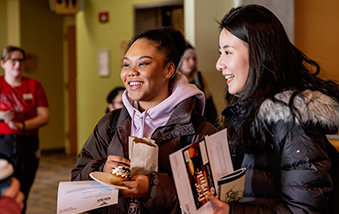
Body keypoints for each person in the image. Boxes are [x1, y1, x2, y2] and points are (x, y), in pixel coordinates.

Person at [207, 4, 339, 213]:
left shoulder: (292, 123)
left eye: (228, 52)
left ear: (258, 53)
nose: (219, 64)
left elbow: (304, 209)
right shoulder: (249, 113)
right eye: (220, 52)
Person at [71, 26, 217, 213]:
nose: (131, 72)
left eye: (143, 63)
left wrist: (152, 188)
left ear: (169, 69)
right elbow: (76, 183)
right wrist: (101, 169)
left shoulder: (199, 132)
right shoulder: (111, 124)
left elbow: (211, 203)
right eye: (126, 64)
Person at [0, 46, 49, 213]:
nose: (17, 64)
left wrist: (21, 125)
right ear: (3, 63)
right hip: (3, 143)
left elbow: (44, 116)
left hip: (27, 143)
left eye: (21, 60)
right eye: (13, 60)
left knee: (22, 191)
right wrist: (2, 115)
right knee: (4, 190)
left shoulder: (34, 85)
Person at [177, 43, 219, 126]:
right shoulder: (175, 81)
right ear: (180, 61)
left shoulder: (199, 77)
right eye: (187, 59)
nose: (192, 62)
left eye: (194, 58)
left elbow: (210, 105)